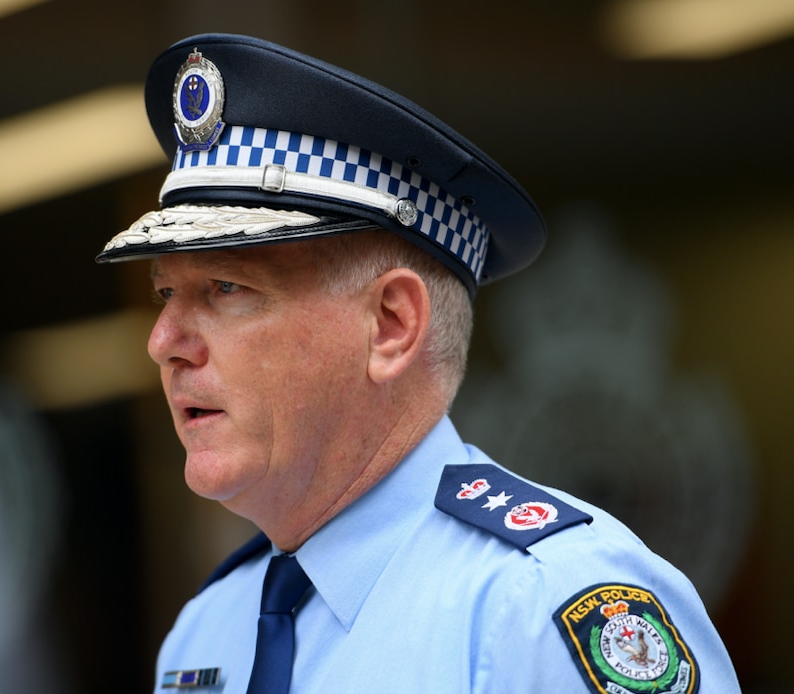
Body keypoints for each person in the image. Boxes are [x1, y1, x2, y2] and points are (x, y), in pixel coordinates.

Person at [97, 33, 740, 693]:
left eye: (227, 288)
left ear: (390, 326)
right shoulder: (208, 631)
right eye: (166, 293)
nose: (163, 340)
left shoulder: (540, 606)